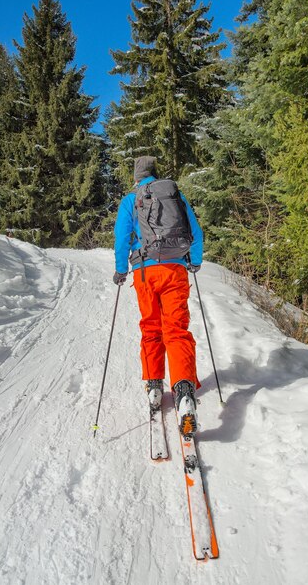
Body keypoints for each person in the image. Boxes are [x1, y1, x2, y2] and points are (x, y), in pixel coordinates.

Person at [113, 156, 203, 435]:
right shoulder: (175, 194)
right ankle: (184, 392)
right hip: (175, 270)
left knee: (151, 327)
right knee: (176, 329)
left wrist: (120, 269)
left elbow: (121, 236)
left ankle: (154, 385)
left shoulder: (131, 200)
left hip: (144, 272)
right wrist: (194, 261)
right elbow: (195, 232)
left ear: (136, 177)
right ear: (156, 174)